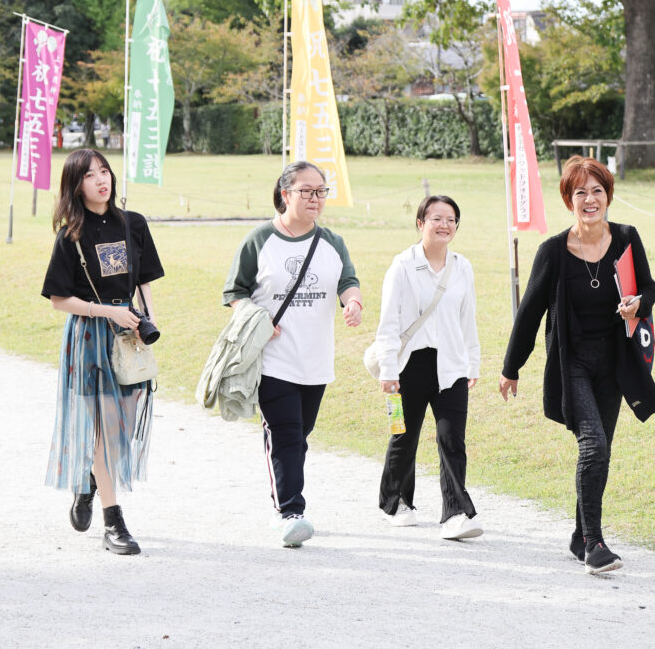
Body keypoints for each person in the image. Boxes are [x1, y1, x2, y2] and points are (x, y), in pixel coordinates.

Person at [500, 155, 655, 574]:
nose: (590, 199)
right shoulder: (553, 251)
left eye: (597, 190)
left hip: (616, 363)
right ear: (569, 199)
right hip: (573, 363)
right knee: (594, 445)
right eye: (580, 192)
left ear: (608, 195)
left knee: (600, 452)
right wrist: (511, 367)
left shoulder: (626, 236)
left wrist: (639, 303)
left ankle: (578, 534)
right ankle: (594, 542)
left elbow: (649, 287)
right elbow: (530, 310)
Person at [223, 161, 362, 547]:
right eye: (307, 191)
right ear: (286, 194)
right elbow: (234, 292)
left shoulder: (332, 242)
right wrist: (257, 317)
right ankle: (290, 511)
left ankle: (283, 498)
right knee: (285, 433)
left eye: (321, 191)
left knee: (300, 435)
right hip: (273, 358)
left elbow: (348, 281)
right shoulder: (259, 240)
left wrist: (353, 303)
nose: (316, 199)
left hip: (316, 360)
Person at [42, 148, 163, 555]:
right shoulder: (71, 235)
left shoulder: (134, 224)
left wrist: (149, 321)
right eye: (90, 175)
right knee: (104, 430)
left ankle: (90, 481)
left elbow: (145, 280)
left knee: (121, 429)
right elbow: (59, 299)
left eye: (105, 171)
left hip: (128, 336)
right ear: (76, 186)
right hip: (89, 339)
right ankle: (115, 522)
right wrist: (103, 310)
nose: (101, 180)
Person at [372, 195, 482, 540]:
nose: (444, 225)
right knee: (404, 436)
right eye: (436, 218)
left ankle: (456, 514)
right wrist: (388, 370)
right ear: (421, 223)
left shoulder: (462, 267)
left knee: (452, 439)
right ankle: (395, 501)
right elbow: (388, 323)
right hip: (409, 366)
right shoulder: (402, 265)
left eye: (451, 219)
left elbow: (469, 321)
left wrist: (472, 362)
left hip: (451, 365)